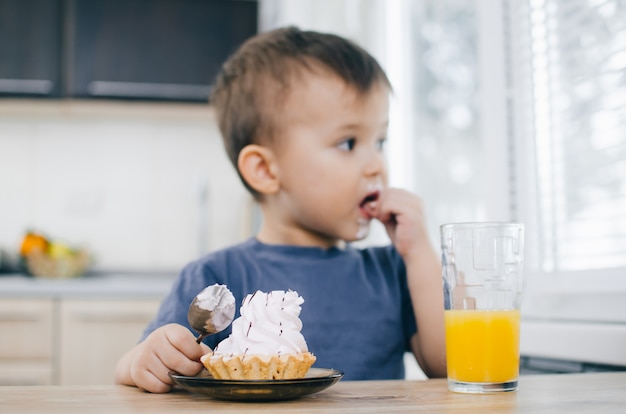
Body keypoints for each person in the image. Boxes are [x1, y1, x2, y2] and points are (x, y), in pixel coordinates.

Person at [115, 26, 446, 393]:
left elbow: (448, 367)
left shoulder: (393, 272)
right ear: (266, 170)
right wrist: (145, 359)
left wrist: (419, 252)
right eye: (349, 142)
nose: (376, 166)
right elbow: (137, 367)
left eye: (379, 140)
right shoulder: (216, 278)